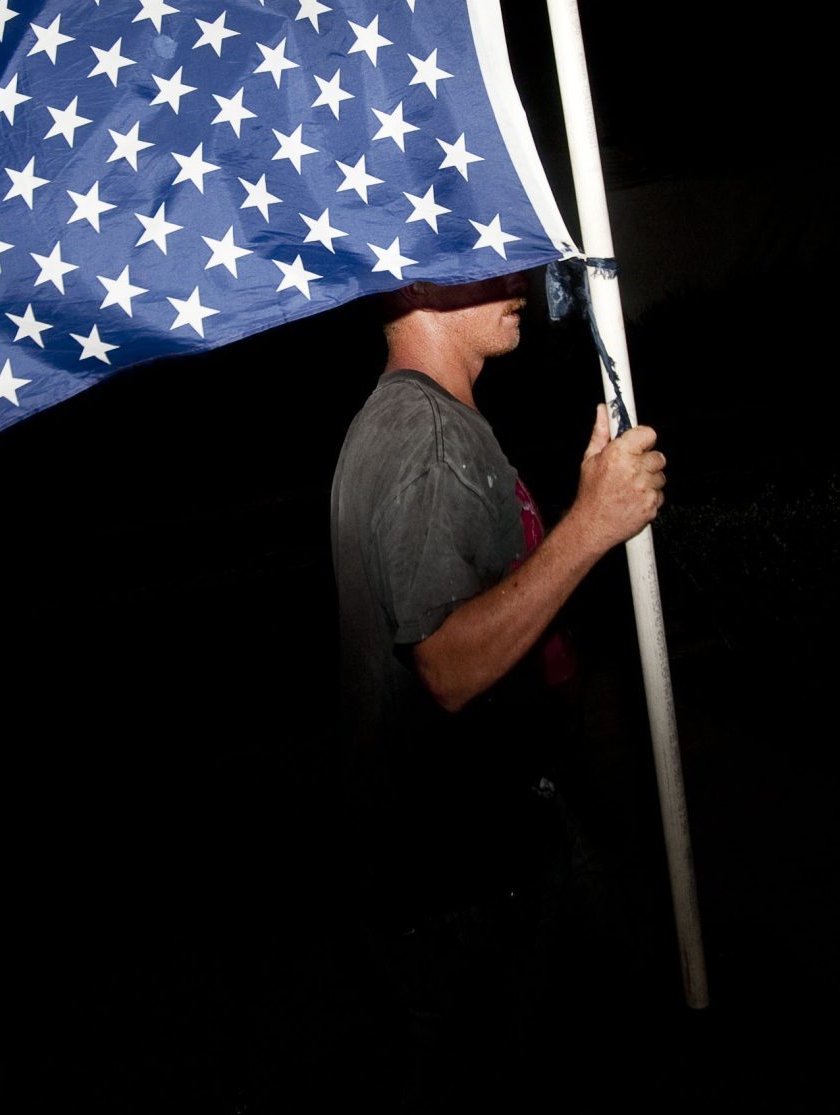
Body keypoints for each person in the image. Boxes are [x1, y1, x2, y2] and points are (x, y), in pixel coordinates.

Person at [330, 269, 666, 1106]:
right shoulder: (426, 437)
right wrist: (591, 528)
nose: (522, 284)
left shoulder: (426, 419)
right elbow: (446, 660)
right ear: (418, 289)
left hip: (496, 845)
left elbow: (483, 595)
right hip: (462, 882)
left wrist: (587, 509)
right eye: (491, 263)